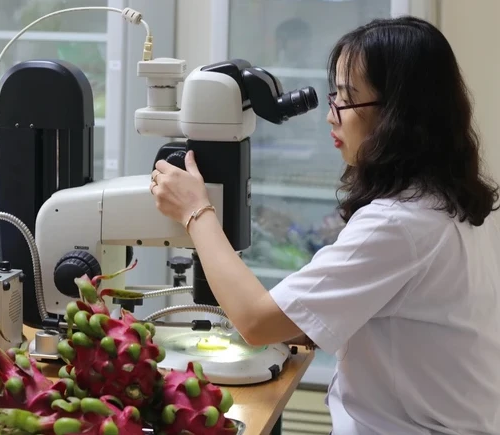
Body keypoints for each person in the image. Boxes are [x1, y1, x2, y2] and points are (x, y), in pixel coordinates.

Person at [149, 16, 500, 435]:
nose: (331, 114)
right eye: (334, 94)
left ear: (398, 116)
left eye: (347, 99)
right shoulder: (455, 201)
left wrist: (195, 211)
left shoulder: (399, 223)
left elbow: (256, 323)